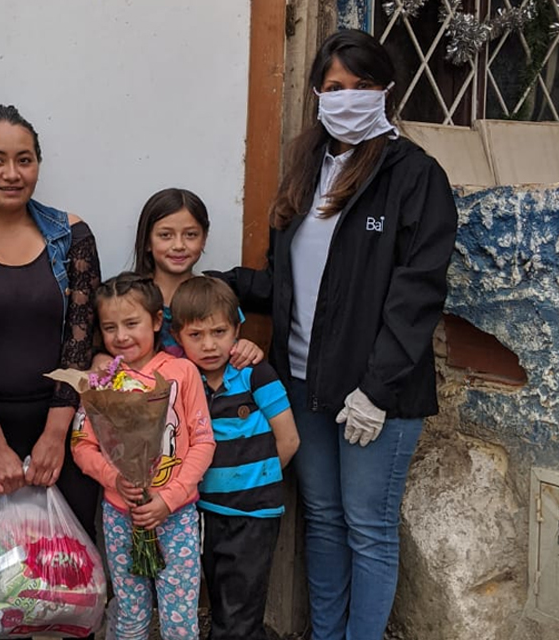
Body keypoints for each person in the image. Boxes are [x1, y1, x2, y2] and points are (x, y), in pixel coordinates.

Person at [214, 29, 458, 640]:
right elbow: (289, 283)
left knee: (368, 527)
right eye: (334, 87)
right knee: (322, 518)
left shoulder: (414, 176)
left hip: (378, 394)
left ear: (386, 92)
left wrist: (375, 390)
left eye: (361, 86)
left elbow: (417, 294)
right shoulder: (307, 172)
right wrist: (210, 282)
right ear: (317, 95)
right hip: (302, 381)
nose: (346, 98)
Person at [0, 104, 101, 538]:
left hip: (67, 427)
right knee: (6, 573)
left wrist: (55, 435)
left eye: (24, 160)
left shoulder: (72, 237)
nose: (12, 173)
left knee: (70, 569)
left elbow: (80, 341)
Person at [72, 272, 215, 640]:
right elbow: (82, 444)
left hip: (177, 515)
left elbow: (202, 442)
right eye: (110, 327)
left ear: (155, 321)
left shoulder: (182, 373)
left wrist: (170, 498)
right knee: (130, 613)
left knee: (180, 620)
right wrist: (114, 479)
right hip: (121, 515)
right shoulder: (102, 382)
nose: (121, 336)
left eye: (132, 324)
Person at [170, 276, 299, 640]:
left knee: (244, 599)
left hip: (254, 511)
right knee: (222, 593)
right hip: (210, 510)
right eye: (196, 335)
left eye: (219, 332)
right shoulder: (186, 380)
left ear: (237, 329)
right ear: (178, 337)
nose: (209, 345)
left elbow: (288, 439)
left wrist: (257, 479)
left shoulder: (255, 374)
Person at [132, 187, 263, 364]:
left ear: (204, 239)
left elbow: (231, 343)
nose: (179, 245)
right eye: (165, 235)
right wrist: (100, 358)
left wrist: (246, 348)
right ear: (148, 241)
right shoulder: (131, 298)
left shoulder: (216, 294)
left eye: (190, 235)